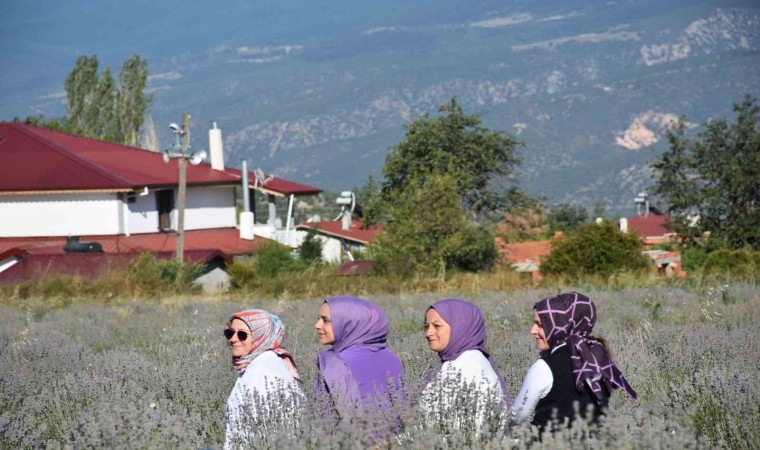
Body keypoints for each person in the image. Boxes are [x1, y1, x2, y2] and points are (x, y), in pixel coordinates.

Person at [511, 292, 637, 433]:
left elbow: (518, 415)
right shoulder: (598, 358)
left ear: (560, 325)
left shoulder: (544, 367)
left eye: (540, 325)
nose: (532, 331)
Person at [419, 298, 511, 430]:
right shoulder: (456, 360)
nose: (429, 333)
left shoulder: (467, 366)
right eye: (427, 326)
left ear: (460, 326)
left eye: (437, 326)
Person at [224, 309, 302, 449]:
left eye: (242, 335)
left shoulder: (262, 371)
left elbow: (260, 433)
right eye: (229, 333)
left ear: (261, 336)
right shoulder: (262, 361)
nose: (233, 339)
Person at [314, 295, 404, 412]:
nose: (317, 325)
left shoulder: (334, 363)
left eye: (325, 320)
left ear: (348, 323)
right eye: (318, 319)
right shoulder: (392, 358)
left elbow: (323, 418)